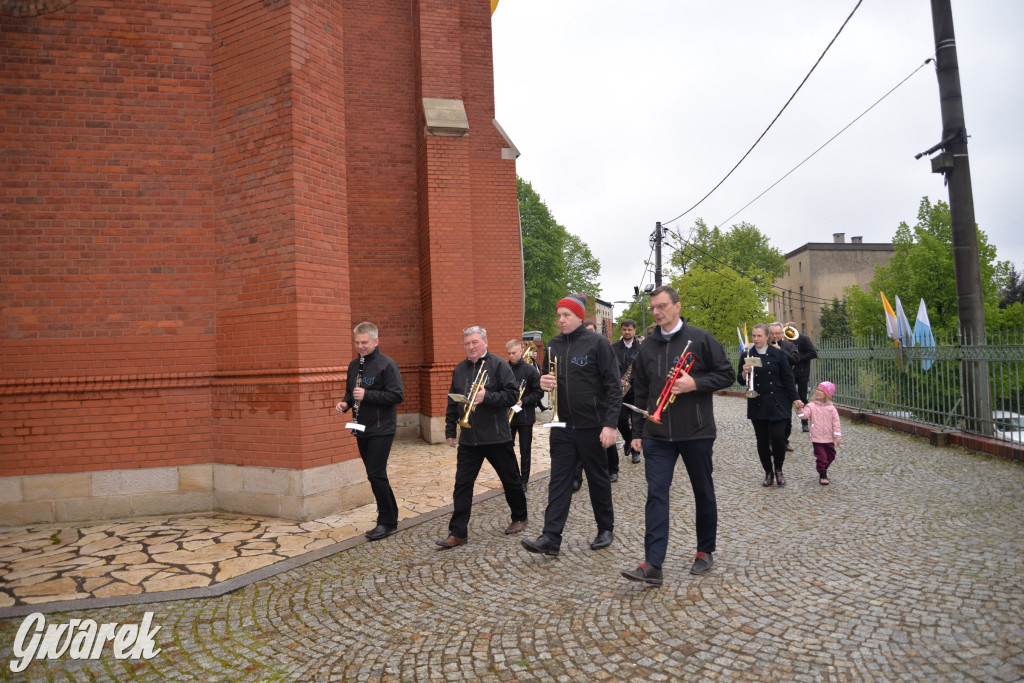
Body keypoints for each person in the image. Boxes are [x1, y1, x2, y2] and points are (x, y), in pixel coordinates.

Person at [620, 286, 736, 585]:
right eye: (653, 307)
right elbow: (641, 391)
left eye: (662, 306)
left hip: (696, 431)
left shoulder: (700, 338)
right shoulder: (647, 346)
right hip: (657, 434)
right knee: (656, 494)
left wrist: (695, 383)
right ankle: (653, 564)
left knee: (702, 490)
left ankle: (704, 550)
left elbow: (726, 374)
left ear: (677, 306)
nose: (657, 312)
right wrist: (638, 431)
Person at [522, 294, 621, 557]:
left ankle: (605, 528)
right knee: (559, 481)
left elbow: (613, 386)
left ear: (579, 316)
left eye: (566, 315)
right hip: (562, 425)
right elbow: (546, 378)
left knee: (598, 478)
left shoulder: (598, 343)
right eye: (559, 315)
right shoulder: (554, 344)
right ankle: (551, 537)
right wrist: (543, 383)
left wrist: (610, 424)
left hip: (592, 425)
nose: (560, 320)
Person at [436, 326, 529, 548]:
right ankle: (458, 532)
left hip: (497, 436)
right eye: (467, 343)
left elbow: (512, 395)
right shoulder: (459, 369)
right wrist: (450, 431)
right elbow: (453, 402)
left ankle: (519, 516)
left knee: (510, 480)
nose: (471, 347)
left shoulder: (498, 365)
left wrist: (487, 396)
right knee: (462, 485)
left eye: (475, 342)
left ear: (485, 342)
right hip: (469, 439)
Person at [335, 322, 404, 541]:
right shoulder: (354, 365)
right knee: (375, 475)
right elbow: (350, 392)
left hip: (382, 428)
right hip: (361, 427)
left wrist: (368, 395)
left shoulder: (387, 365)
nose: (360, 346)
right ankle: (391, 516)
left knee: (375, 473)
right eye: (357, 342)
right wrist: (345, 404)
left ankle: (385, 521)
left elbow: (396, 396)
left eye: (364, 342)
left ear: (376, 341)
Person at [739, 323, 804, 487]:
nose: (756, 339)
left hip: (778, 401)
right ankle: (768, 472)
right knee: (761, 440)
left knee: (778, 438)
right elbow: (740, 380)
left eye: (759, 336)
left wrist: (795, 398)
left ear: (767, 336)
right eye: (753, 336)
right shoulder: (747, 353)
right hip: (758, 402)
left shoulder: (778, 354)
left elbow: (788, 378)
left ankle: (779, 470)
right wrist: (744, 372)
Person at [571, 319, 619, 489]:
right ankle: (577, 478)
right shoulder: (577, 348)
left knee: (606, 445)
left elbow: (612, 379)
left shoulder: (602, 345)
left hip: (602, 406)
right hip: (583, 411)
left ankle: (612, 468)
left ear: (596, 330)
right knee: (579, 447)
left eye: (591, 330)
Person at [506, 339, 543, 490]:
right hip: (508, 415)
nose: (511, 356)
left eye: (514, 353)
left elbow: (539, 393)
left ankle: (524, 480)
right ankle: (514, 476)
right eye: (508, 353)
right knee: (507, 448)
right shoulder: (504, 368)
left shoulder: (530, 370)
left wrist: (524, 401)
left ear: (521, 351)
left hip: (525, 416)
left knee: (525, 449)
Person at [797, 381, 842, 485]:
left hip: (829, 437)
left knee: (831, 455)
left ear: (827, 394)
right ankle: (823, 474)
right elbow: (804, 416)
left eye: (821, 390)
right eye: (817, 389)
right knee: (821, 457)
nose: (818, 392)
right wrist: (799, 409)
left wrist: (837, 436)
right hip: (816, 437)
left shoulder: (832, 409)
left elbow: (836, 423)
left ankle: (823, 468)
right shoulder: (811, 406)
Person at [612, 318, 643, 464]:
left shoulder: (642, 347)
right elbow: (610, 366)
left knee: (637, 422)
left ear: (634, 330)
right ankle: (628, 439)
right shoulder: (614, 347)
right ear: (621, 330)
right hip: (620, 390)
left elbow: (645, 368)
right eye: (624, 329)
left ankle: (636, 452)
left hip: (637, 390)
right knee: (620, 419)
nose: (627, 332)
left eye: (630, 329)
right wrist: (618, 379)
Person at [768, 322, 800, 453]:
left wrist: (781, 352)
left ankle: (784, 441)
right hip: (770, 385)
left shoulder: (789, 345)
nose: (775, 336)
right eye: (772, 333)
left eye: (778, 333)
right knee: (770, 416)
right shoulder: (765, 346)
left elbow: (795, 359)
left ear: (782, 333)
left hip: (786, 385)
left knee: (786, 416)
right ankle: (770, 443)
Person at [785, 321, 819, 433]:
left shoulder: (804, 339)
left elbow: (813, 353)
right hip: (791, 372)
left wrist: (798, 358)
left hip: (803, 372)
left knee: (802, 396)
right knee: (788, 396)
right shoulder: (787, 341)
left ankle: (805, 423)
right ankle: (786, 422)